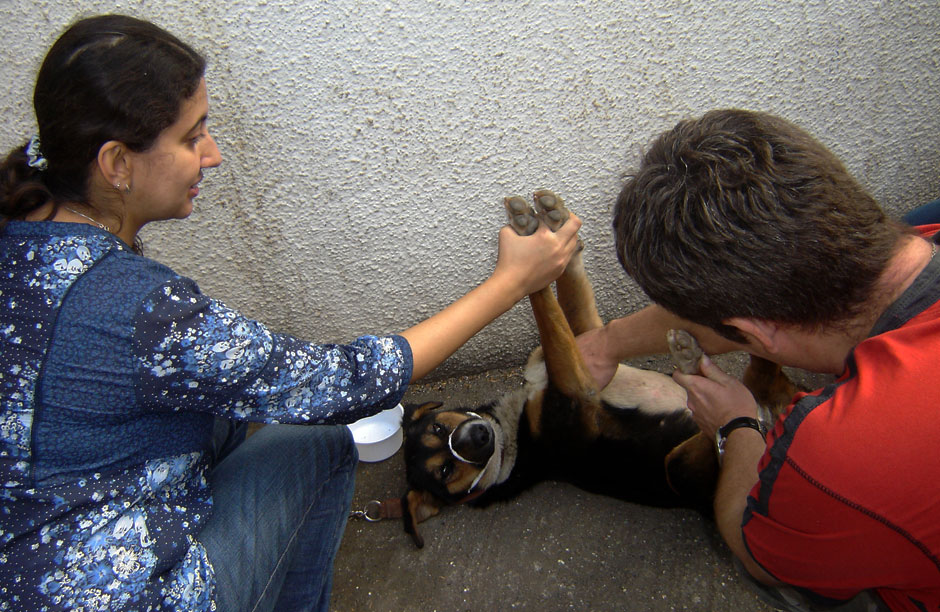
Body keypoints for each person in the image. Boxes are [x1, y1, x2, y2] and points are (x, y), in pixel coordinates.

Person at [0, 14, 581, 612]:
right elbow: (343, 385)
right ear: (117, 163)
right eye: (191, 136)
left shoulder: (23, 233)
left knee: (226, 414)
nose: (215, 154)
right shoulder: (136, 310)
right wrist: (513, 282)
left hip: (30, 543)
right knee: (320, 436)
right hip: (122, 592)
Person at [576, 109, 939, 611]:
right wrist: (606, 344)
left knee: (787, 571)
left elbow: (753, 550)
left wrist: (736, 426)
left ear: (750, 332)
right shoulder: (923, 227)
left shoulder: (836, 457)